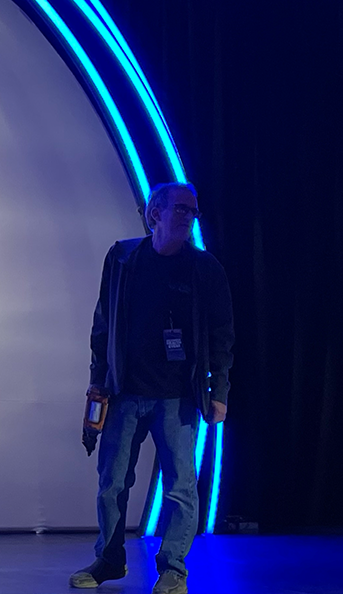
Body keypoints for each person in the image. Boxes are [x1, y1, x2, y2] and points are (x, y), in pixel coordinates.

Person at [70, 183, 234, 594]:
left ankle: (173, 568)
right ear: (154, 214)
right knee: (112, 483)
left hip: (178, 397)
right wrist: (97, 383)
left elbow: (222, 335)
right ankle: (109, 560)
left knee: (180, 486)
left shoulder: (205, 268)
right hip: (125, 392)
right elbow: (103, 324)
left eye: (192, 211)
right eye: (180, 209)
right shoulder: (123, 258)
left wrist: (220, 392)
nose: (188, 217)